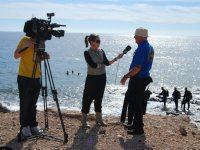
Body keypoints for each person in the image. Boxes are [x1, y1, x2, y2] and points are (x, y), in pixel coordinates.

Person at [81, 34, 123, 128]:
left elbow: (107, 63)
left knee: (99, 98)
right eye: (97, 41)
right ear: (91, 42)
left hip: (102, 78)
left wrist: (117, 58)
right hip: (91, 78)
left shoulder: (101, 51)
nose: (99, 43)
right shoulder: (86, 52)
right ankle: (84, 121)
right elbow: (92, 65)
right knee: (87, 99)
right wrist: (101, 64)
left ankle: (99, 120)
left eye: (99, 41)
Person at [14, 35, 49, 139]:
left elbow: (37, 59)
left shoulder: (41, 42)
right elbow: (16, 55)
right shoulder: (25, 39)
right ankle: (24, 126)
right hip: (24, 76)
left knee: (33, 103)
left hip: (37, 76)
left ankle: (33, 125)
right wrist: (26, 45)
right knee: (25, 102)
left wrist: (44, 56)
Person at [120, 27, 154, 135]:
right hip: (143, 78)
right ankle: (136, 125)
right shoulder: (149, 47)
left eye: (136, 36)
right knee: (136, 103)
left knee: (136, 104)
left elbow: (138, 67)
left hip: (138, 78)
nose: (134, 37)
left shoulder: (142, 48)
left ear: (141, 37)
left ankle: (138, 129)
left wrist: (126, 76)